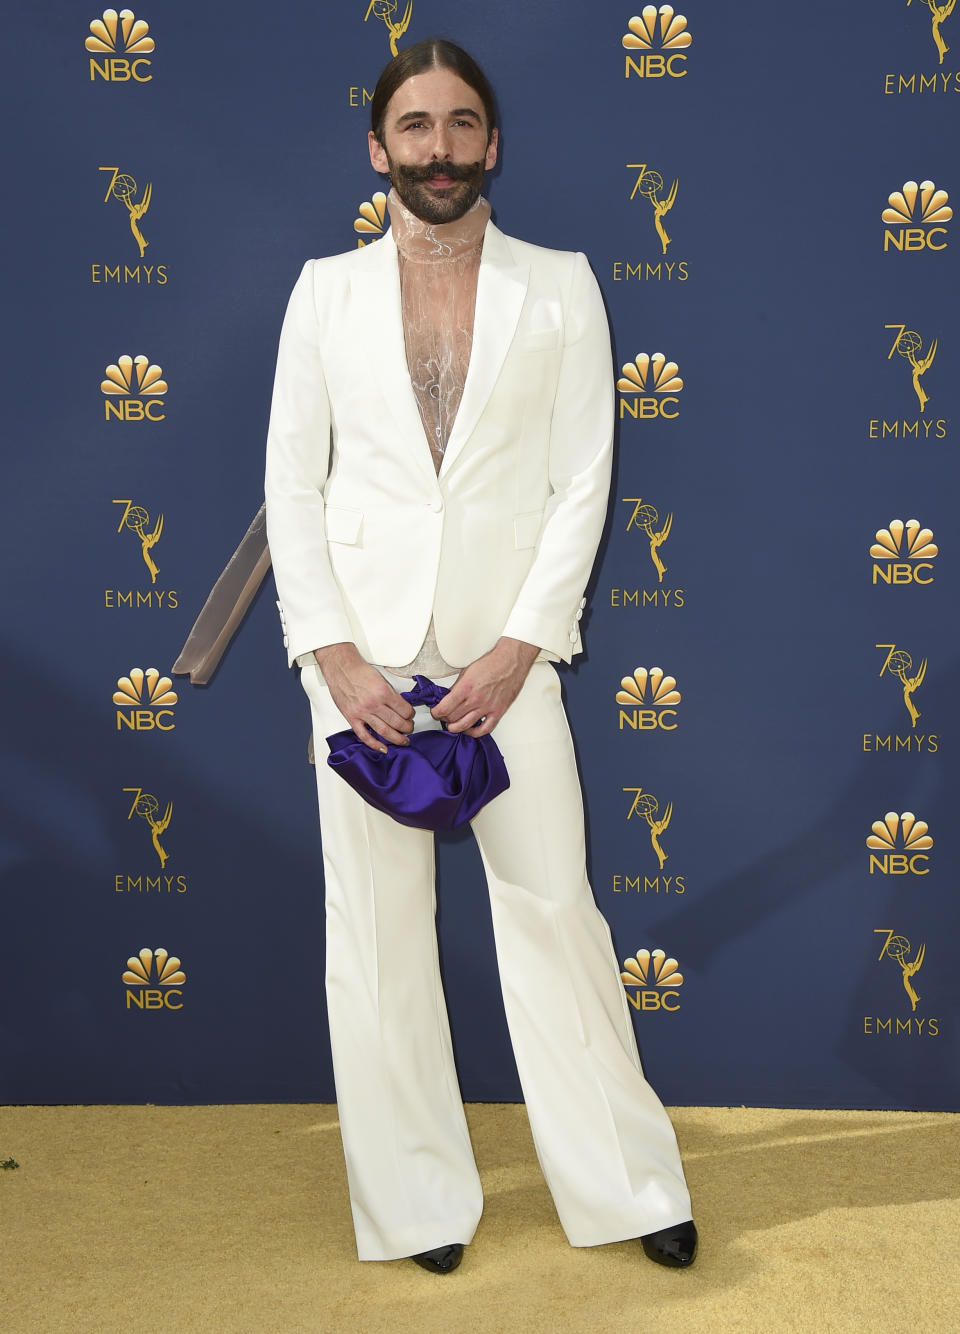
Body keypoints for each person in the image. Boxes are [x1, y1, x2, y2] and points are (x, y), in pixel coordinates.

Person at [264, 38, 698, 1274]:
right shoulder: (322, 292)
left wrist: (520, 648)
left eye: (462, 125)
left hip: (508, 661)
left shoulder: (560, 285)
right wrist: (333, 657)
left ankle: (626, 1182)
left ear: (492, 143)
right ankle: (416, 1204)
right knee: (380, 933)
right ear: (379, 149)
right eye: (416, 127)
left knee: (555, 910)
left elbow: (582, 481)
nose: (440, 147)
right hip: (362, 666)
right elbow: (293, 486)